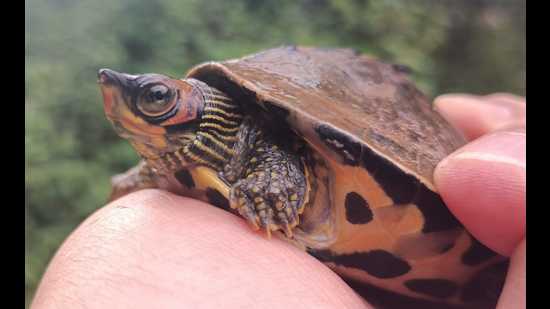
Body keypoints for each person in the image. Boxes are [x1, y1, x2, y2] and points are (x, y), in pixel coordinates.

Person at [31, 93, 525, 309]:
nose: (118, 99)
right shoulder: (172, 178)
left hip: (472, 257)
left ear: (206, 112)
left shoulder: (264, 150)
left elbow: (280, 152)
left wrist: (271, 188)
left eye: (158, 97)